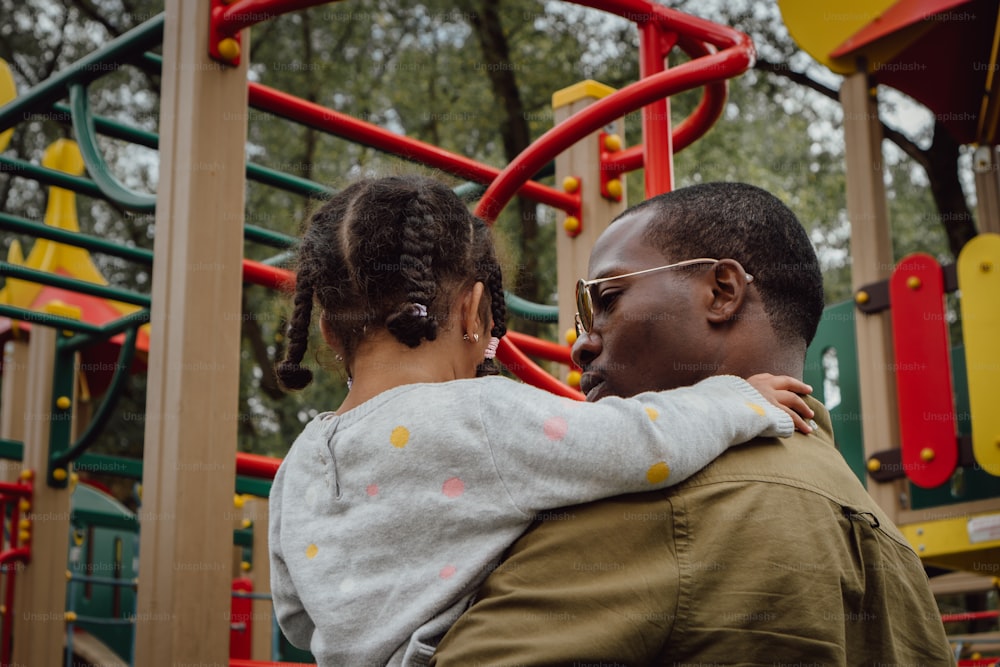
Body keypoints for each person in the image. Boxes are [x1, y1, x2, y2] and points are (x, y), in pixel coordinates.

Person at [267, 175, 815, 667]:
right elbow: (639, 445)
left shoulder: (297, 467)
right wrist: (731, 399)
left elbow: (295, 616)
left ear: (328, 333)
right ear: (474, 313)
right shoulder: (483, 414)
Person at [432, 181, 956, 666]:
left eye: (607, 300)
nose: (580, 345)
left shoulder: (660, 502)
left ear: (722, 291)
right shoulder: (891, 542)